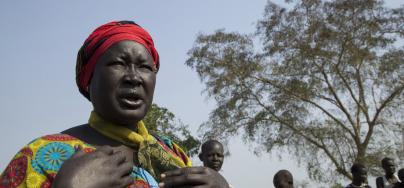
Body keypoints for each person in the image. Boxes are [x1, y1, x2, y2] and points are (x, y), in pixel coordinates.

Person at [0, 20, 229, 188]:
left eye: (145, 67)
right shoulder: (41, 156)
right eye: (119, 63)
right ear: (89, 80)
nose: (134, 77)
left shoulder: (173, 153)